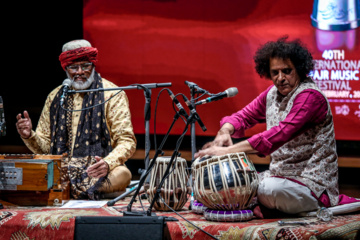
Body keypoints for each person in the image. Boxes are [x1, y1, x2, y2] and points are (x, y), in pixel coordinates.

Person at [195, 37, 339, 216]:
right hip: (279, 177)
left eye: (287, 71)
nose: (280, 78)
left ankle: (263, 206)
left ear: (300, 70)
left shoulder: (310, 97)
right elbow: (243, 116)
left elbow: (279, 134)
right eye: (275, 72)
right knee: (230, 181)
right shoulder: (272, 94)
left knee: (269, 189)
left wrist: (227, 151)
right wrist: (224, 132)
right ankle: (263, 206)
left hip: (311, 184)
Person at [16, 39, 137, 200]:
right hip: (62, 171)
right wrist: (29, 135)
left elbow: (127, 141)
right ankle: (88, 191)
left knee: (123, 174)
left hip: (97, 172)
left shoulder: (112, 94)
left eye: (85, 65)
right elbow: (46, 150)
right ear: (66, 68)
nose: (80, 71)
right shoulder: (55, 97)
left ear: (93, 65)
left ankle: (74, 190)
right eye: (74, 67)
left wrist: (107, 163)